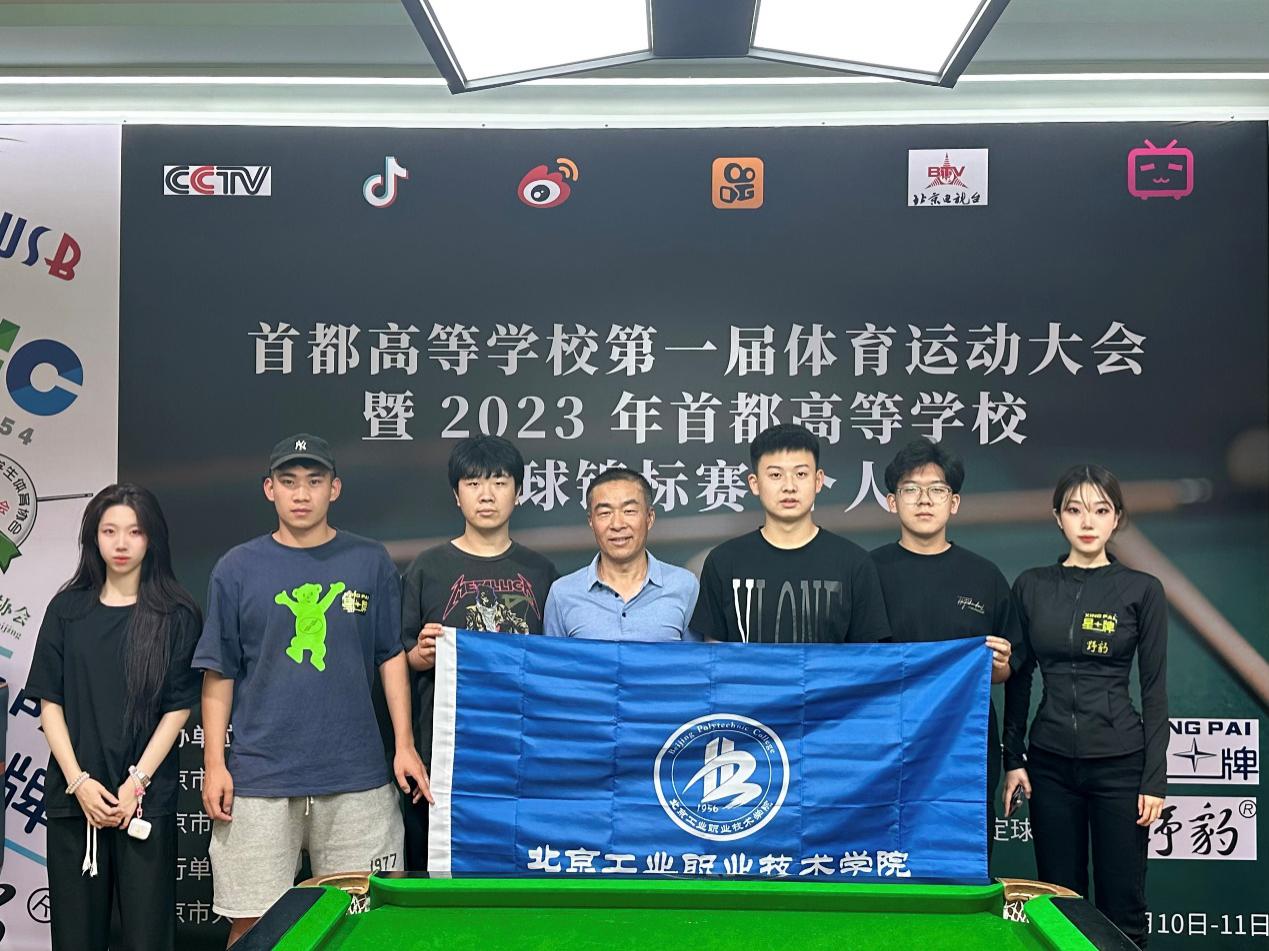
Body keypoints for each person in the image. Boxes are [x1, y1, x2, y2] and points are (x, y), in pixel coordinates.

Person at [195, 434, 428, 946]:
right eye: (289, 481)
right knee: (252, 924)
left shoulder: (369, 561)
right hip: (260, 778)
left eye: (314, 481)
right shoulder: (236, 568)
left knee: (364, 923)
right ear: (269, 489)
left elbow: (390, 655)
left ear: (334, 489)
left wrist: (405, 745)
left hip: (357, 777)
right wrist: (215, 764)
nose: (301, 493)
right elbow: (219, 670)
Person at [25, 484, 201, 951]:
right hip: (75, 802)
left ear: (152, 538)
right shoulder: (67, 610)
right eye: (109, 531)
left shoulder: (176, 614)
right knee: (75, 938)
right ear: (94, 537)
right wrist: (79, 783)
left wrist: (136, 783)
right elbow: (50, 704)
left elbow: (178, 708)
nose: (121, 543)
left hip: (143, 803)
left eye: (134, 532)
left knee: (148, 938)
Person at [1002, 464, 1167, 949]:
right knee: (1059, 905)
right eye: (1075, 510)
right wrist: (1014, 759)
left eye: (1100, 510)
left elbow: (1155, 689)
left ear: (1117, 518)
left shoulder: (1142, 589)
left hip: (1120, 765)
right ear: (1058, 518)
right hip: (1050, 766)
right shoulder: (1031, 585)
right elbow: (1019, 677)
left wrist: (1153, 780)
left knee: (1122, 909)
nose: (1088, 521)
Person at [400, 435, 558, 868]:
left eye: (499, 482)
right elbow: (401, 656)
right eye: (473, 484)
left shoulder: (542, 573)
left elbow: (555, 661)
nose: (486, 495)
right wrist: (421, 655)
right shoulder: (427, 568)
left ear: (518, 492)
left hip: (520, 749)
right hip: (444, 755)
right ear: (456, 495)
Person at [870, 439, 1022, 861]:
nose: (924, 500)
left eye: (936, 489)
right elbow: (851, 664)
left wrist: (1001, 667)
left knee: (962, 854)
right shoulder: (866, 573)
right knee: (884, 852)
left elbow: (1011, 667)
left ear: (953, 503)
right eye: (911, 489)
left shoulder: (984, 577)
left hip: (965, 744)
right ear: (891, 502)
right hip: (885, 742)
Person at [690, 423, 890, 644]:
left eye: (801, 474)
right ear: (755, 484)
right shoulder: (724, 562)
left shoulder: (854, 563)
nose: (789, 486)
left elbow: (867, 657)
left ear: (818, 481)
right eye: (776, 475)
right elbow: (714, 656)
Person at [544, 468, 698, 641]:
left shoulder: (685, 586)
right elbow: (551, 658)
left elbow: (698, 657)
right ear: (591, 521)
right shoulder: (563, 593)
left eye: (629, 511)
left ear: (650, 517)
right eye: (605, 513)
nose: (617, 524)